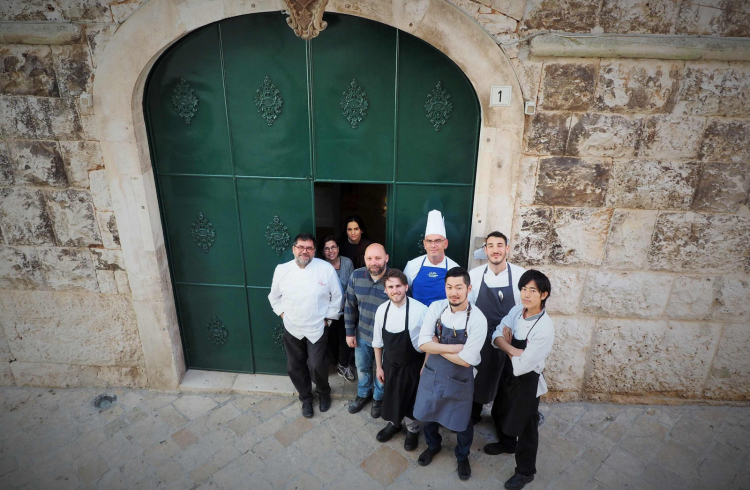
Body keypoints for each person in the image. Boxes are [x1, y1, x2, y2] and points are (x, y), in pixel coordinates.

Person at [413, 267, 487, 481]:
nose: (453, 292)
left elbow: (466, 360)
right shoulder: (437, 308)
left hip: (460, 379)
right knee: (429, 413)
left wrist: (438, 346)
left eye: (459, 287)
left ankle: (462, 456)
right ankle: (432, 446)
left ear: (469, 289)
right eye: (449, 287)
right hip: (432, 373)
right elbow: (422, 343)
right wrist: (455, 348)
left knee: (462, 421)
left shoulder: (478, 319)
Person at [491, 270, 554, 490]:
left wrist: (506, 346)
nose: (526, 295)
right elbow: (496, 335)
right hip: (508, 373)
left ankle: (526, 471)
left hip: (527, 381)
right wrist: (511, 348)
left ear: (543, 294)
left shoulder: (545, 328)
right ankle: (507, 444)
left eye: (533, 290)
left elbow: (522, 366)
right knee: (500, 409)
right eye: (523, 289)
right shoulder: (518, 310)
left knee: (526, 426)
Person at [268, 233, 343, 418]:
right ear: (294, 249)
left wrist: (328, 319)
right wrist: (283, 314)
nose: (304, 251)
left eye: (309, 248)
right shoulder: (282, 269)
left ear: (314, 251)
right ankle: (306, 399)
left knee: (317, 365)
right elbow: (274, 297)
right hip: (292, 327)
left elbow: (338, 297)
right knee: (294, 366)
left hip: (317, 327)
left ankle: (324, 393)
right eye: (301, 247)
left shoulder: (325, 269)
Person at [468, 232, 527, 427]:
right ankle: (473, 413)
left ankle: (500, 418)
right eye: (491, 246)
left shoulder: (520, 275)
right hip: (482, 337)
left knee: (506, 380)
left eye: (500, 245)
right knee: (479, 375)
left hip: (509, 336)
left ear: (507, 249)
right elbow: (470, 308)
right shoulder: (475, 276)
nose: (495, 250)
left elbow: (526, 308)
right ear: (485, 250)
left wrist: (513, 330)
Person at [372, 269, 428, 451]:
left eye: (398, 286)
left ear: (406, 287)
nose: (394, 290)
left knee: (411, 400)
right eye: (390, 287)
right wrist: (379, 367)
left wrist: (425, 366)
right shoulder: (382, 310)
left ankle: (412, 430)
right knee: (392, 396)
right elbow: (377, 342)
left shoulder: (421, 310)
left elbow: (430, 342)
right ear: (385, 290)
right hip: (390, 365)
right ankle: (394, 424)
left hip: (413, 365)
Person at [345, 243, 390, 417]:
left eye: (378, 258)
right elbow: (349, 306)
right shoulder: (356, 276)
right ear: (364, 259)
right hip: (362, 334)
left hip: (385, 340)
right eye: (369, 258)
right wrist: (349, 333)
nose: (374, 262)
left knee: (382, 370)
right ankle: (363, 394)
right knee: (362, 368)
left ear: (386, 258)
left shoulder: (394, 280)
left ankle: (379, 398)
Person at [403, 210, 459, 306]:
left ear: (445, 244)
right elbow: (404, 290)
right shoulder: (412, 265)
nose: (433, 245)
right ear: (424, 244)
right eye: (429, 241)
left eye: (438, 241)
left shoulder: (455, 269)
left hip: (443, 318)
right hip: (418, 317)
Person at [319, 235, 356, 382]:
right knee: (331, 338)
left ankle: (343, 365)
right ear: (322, 252)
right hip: (327, 310)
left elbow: (352, 284)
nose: (331, 251)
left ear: (338, 248)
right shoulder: (320, 266)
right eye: (327, 249)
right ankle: (336, 363)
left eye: (333, 247)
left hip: (346, 307)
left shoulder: (347, 262)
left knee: (345, 336)